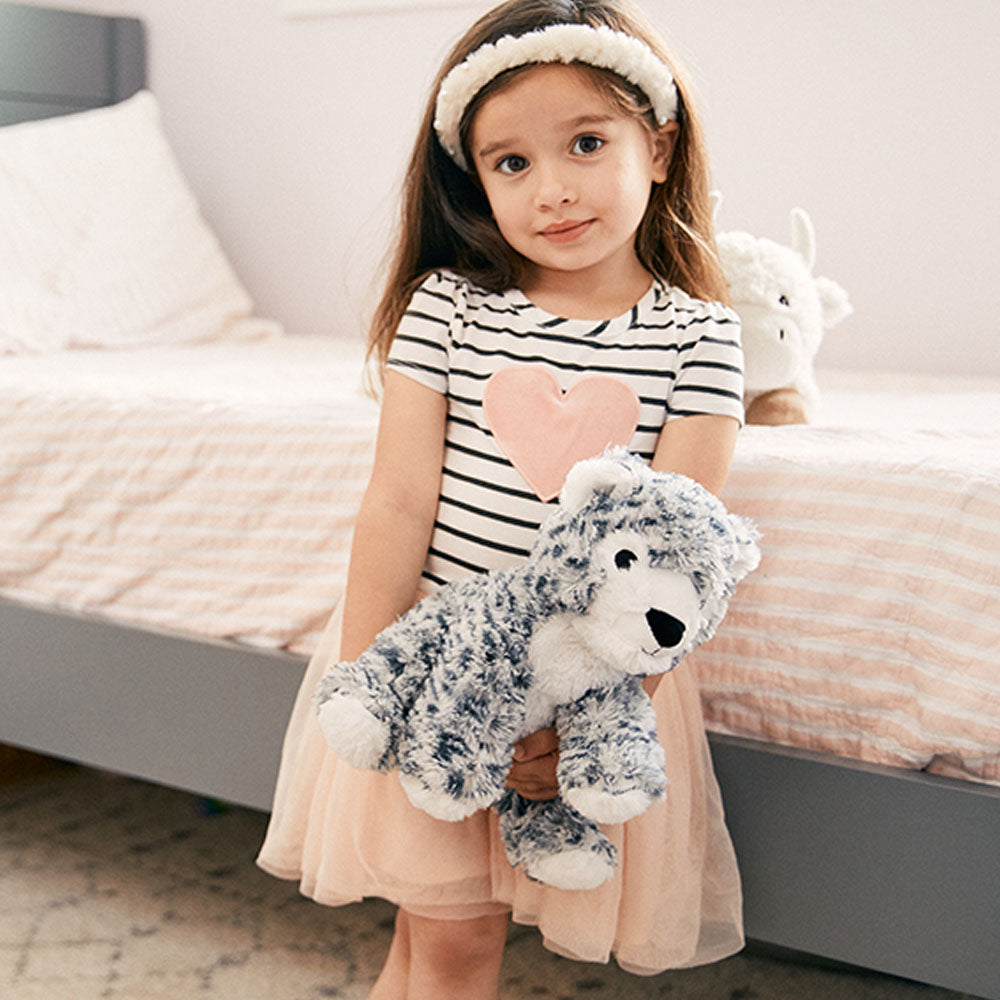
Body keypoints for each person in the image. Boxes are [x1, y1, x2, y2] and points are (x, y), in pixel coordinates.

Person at [257, 0, 745, 996]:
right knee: (447, 938)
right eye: (511, 162)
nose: (553, 188)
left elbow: (677, 562)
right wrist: (365, 676)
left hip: (585, 690)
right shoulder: (447, 308)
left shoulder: (700, 337)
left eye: (586, 142)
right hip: (432, 668)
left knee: (431, 941)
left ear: (655, 147)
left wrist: (583, 723)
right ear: (472, 180)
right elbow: (395, 504)